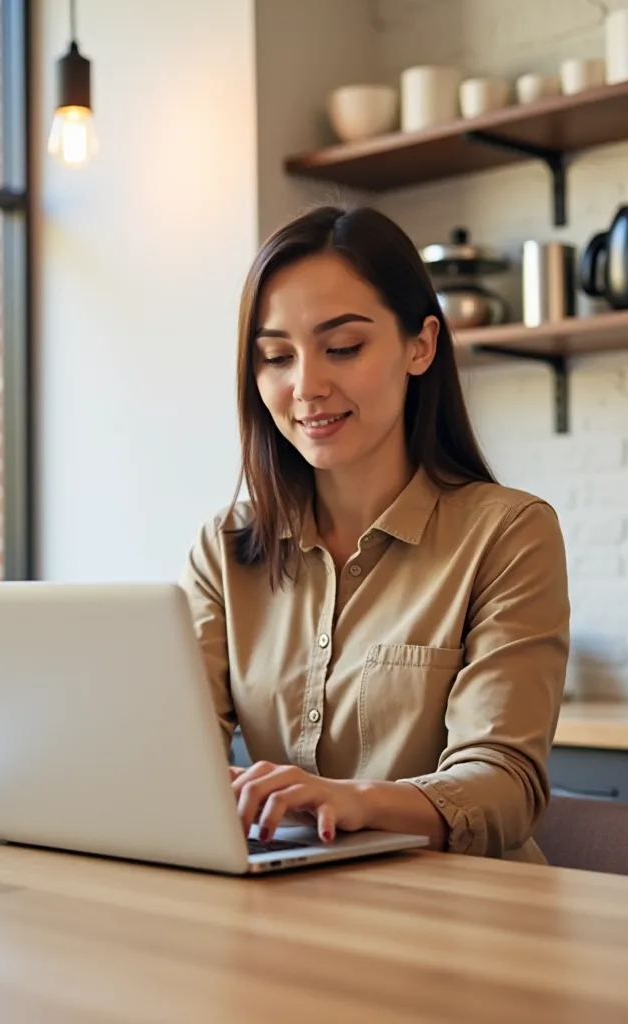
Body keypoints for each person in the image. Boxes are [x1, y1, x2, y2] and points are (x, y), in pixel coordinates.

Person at [183, 205, 569, 862]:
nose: (306, 387)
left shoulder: (509, 534)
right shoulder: (227, 548)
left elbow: (505, 785)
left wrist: (353, 800)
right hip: (292, 910)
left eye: (342, 348)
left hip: (465, 924)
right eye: (277, 357)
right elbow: (177, 748)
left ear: (420, 345)